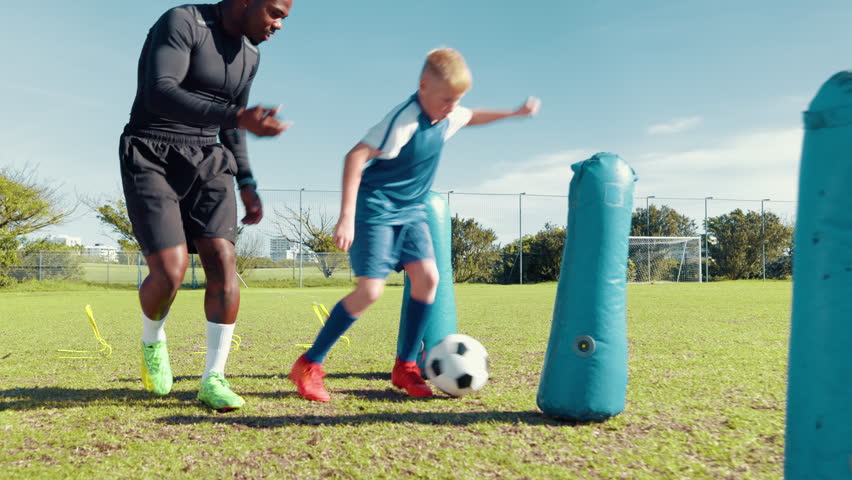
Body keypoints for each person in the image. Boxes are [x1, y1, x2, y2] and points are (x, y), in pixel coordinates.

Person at [289, 48, 541, 402]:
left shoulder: (447, 114)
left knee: (428, 279)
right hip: (376, 209)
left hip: (411, 212)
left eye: (457, 100)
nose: (452, 106)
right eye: (446, 99)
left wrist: (513, 114)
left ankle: (405, 365)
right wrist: (346, 216)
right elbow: (355, 156)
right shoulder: (404, 119)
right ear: (423, 86)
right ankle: (309, 364)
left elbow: (472, 117)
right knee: (370, 292)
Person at [121, 0, 294, 412]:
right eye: (274, 12)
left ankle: (213, 378)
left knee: (222, 258)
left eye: (284, 16)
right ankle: (152, 339)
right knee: (170, 270)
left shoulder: (250, 53)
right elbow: (159, 91)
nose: (279, 24)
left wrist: (248, 181)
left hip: (209, 158)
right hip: (151, 149)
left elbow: (234, 125)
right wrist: (237, 116)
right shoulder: (184, 21)